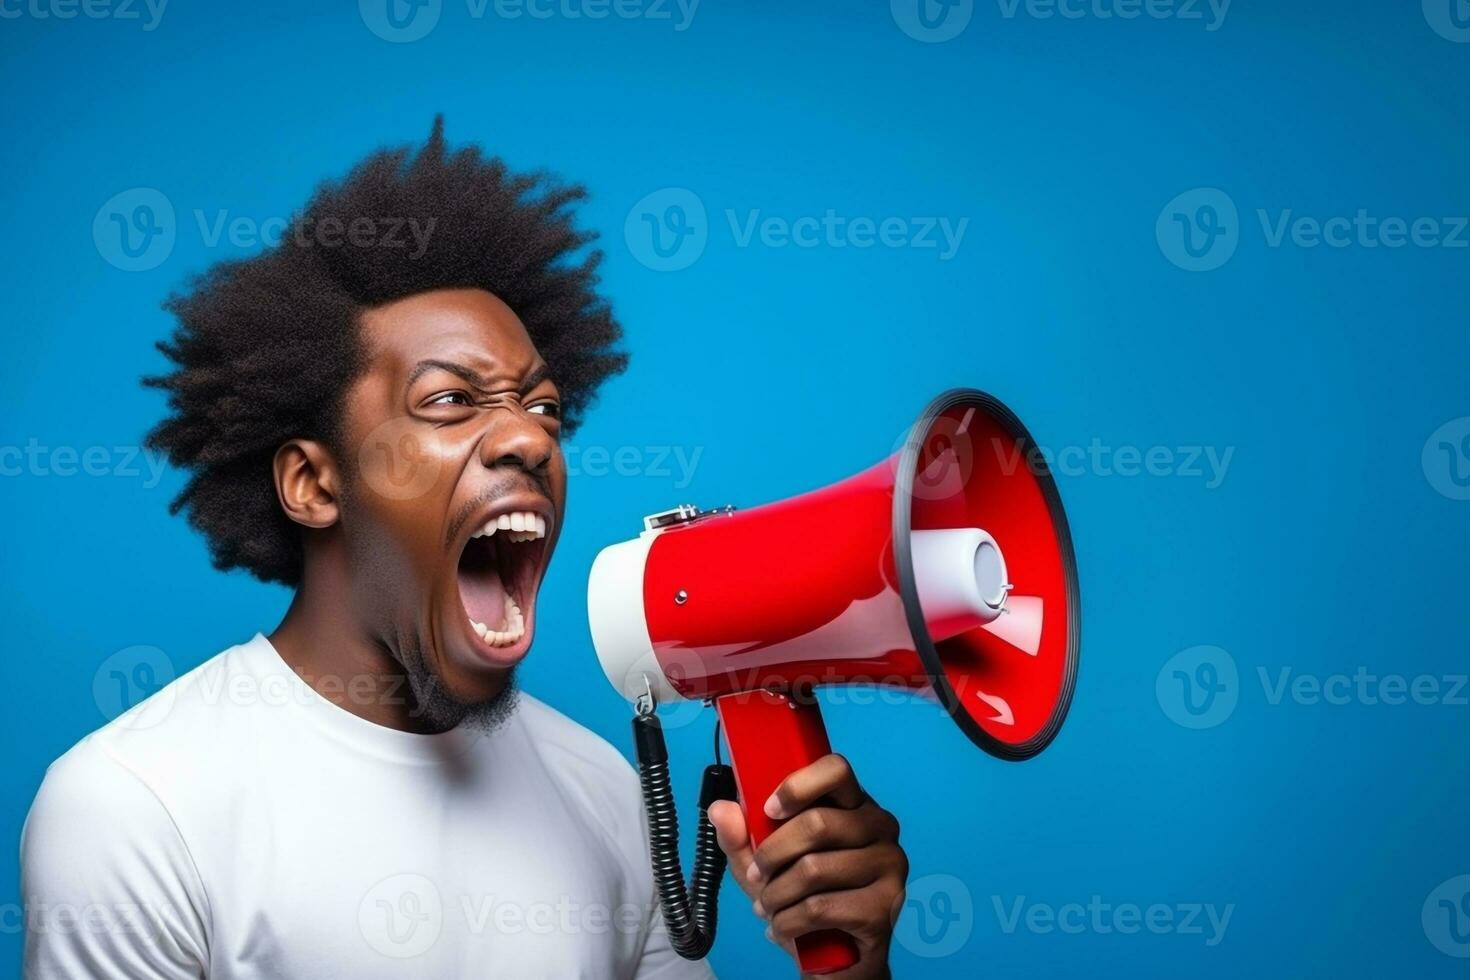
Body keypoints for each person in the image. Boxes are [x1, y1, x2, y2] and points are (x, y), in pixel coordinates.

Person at [21, 120, 908, 978]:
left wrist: (852, 965)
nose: (528, 439)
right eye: (450, 401)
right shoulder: (136, 803)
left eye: (544, 408)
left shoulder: (600, 788)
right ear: (315, 484)